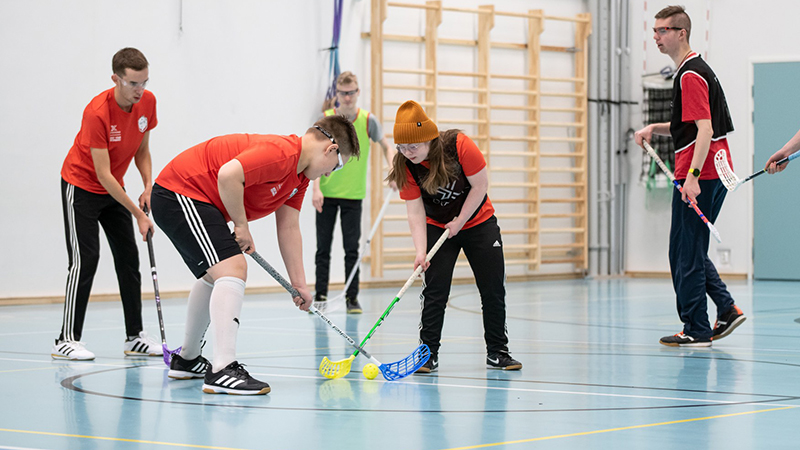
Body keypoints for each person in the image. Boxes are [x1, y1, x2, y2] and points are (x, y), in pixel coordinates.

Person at [151, 115, 359, 395]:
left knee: (216, 275)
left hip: (194, 199)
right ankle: (222, 368)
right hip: (180, 192)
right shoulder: (282, 153)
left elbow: (288, 227)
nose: (330, 172)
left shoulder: (298, 179)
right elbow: (228, 175)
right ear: (330, 149)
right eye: (337, 165)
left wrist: (299, 284)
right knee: (232, 269)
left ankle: (187, 360)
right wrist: (241, 225)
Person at [634, 5, 745, 347]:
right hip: (709, 169)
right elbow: (687, 127)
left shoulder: (690, 75)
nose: (656, 36)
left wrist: (693, 177)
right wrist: (655, 127)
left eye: (663, 30)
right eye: (654, 31)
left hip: (701, 172)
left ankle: (697, 328)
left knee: (686, 251)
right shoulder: (690, 71)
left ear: (681, 32)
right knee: (689, 248)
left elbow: (705, 129)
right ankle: (725, 309)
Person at [386, 100, 522, 373]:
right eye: (402, 147)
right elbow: (414, 211)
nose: (408, 152)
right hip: (437, 226)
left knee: (492, 289)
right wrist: (421, 252)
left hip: (478, 221)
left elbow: (480, 185)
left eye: (413, 146)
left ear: (429, 138)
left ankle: (498, 352)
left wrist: (460, 221)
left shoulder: (458, 145)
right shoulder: (406, 165)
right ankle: (427, 354)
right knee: (435, 291)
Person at [53, 47, 162, 361]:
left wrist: (147, 186)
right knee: (85, 260)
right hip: (83, 186)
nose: (140, 90)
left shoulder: (147, 103)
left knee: (128, 259)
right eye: (133, 84)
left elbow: (142, 151)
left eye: (144, 82)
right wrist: (137, 214)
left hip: (115, 188)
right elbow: (102, 175)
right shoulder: (97, 112)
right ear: (116, 78)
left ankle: (135, 337)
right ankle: (66, 339)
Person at [313, 72, 395, 313]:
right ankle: (320, 295)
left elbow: (387, 146)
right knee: (323, 248)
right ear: (337, 94)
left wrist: (392, 169)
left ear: (358, 92)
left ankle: (352, 298)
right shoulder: (326, 119)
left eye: (351, 92)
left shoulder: (369, 121)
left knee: (352, 249)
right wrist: (315, 188)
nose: (347, 97)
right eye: (343, 93)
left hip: (353, 195)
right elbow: (314, 155)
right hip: (327, 193)